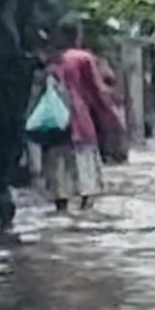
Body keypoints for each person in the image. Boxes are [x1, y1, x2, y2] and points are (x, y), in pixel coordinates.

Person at [36, 18, 126, 214]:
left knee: (59, 183)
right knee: (86, 185)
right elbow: (97, 91)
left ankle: (62, 213)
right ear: (77, 36)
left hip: (54, 126)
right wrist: (112, 117)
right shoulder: (83, 58)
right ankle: (84, 216)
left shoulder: (51, 59)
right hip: (79, 123)